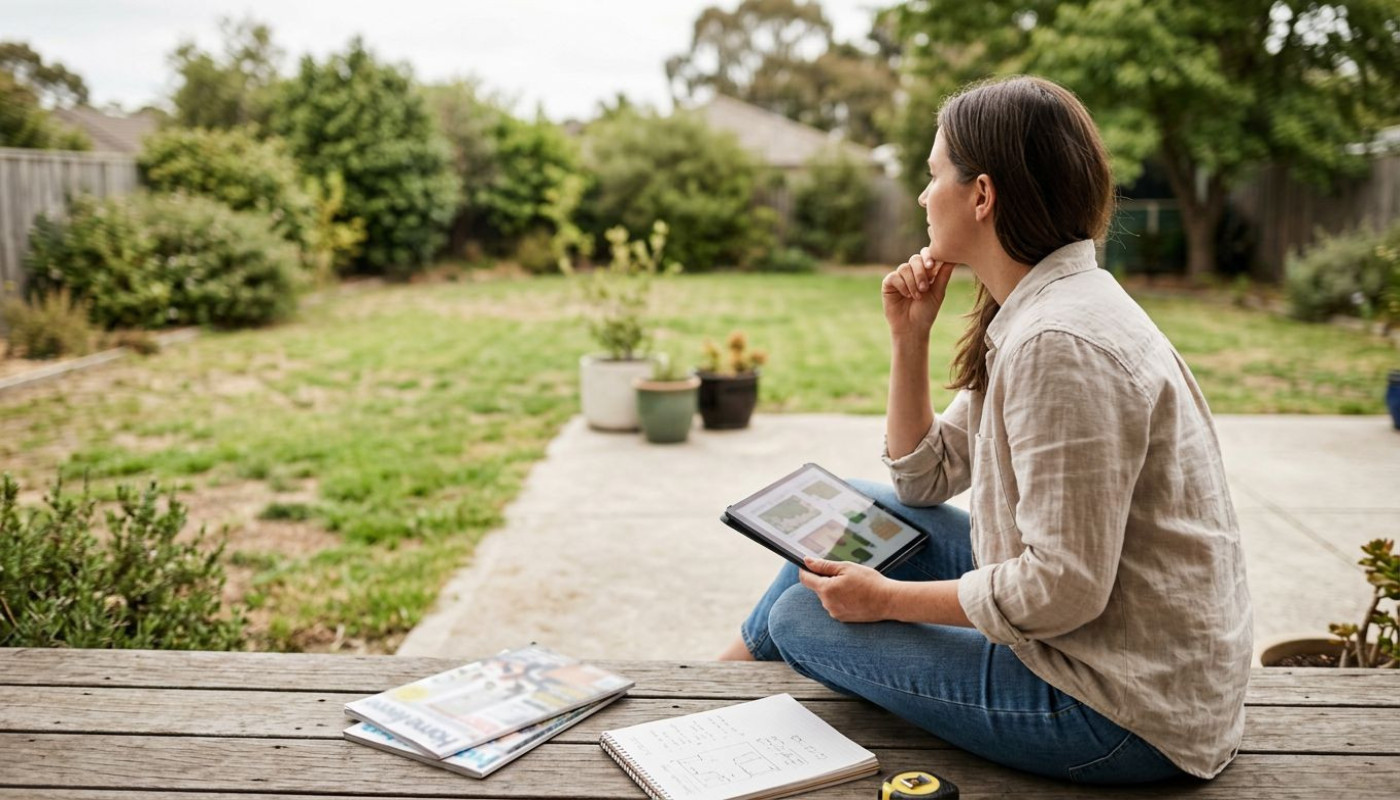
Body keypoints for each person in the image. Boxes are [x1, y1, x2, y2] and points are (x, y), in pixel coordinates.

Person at [717, 75, 1253, 784]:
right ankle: (708, 689)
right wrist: (910, 337)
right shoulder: (1045, 306)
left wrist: (884, 601)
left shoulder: (1059, 344)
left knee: (801, 619)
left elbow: (1062, 589)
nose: (922, 196)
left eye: (934, 173)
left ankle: (702, 705)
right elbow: (924, 478)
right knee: (843, 516)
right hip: (1105, 645)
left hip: (1120, 711)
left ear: (982, 195)